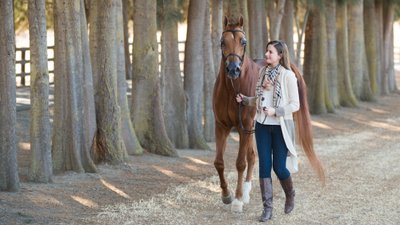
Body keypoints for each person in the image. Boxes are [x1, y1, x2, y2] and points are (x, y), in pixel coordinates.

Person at [236, 40, 300, 222]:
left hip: (280, 128)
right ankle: (268, 209)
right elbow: (260, 99)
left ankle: (290, 194)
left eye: (270, 52)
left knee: (279, 167)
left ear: (280, 55)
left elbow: (296, 104)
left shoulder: (288, 76)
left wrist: (276, 111)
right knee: (264, 166)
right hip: (263, 126)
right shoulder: (262, 73)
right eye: (266, 51)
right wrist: (246, 100)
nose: (266, 55)